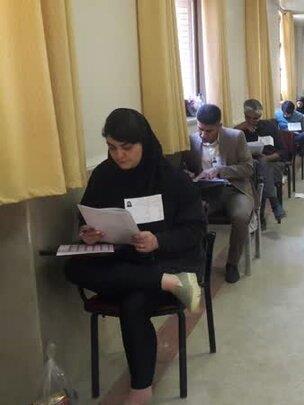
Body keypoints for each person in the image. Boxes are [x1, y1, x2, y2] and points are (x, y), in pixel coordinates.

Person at [65, 108, 206, 405]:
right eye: (112, 148)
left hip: (167, 258)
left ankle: (141, 388)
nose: (119, 155)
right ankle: (166, 282)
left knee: (134, 302)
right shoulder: (104, 175)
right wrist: (89, 232)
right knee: (72, 268)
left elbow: (195, 230)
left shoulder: (171, 177)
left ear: (144, 142)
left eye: (126, 148)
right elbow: (87, 215)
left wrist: (158, 241)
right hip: (123, 259)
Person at [182, 104, 254, 283]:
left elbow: (248, 168)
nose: (203, 135)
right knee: (193, 215)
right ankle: (197, 264)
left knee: (240, 216)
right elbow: (185, 168)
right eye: (200, 129)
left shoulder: (236, 137)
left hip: (234, 189)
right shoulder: (192, 140)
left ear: (219, 126)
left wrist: (221, 170)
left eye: (209, 131)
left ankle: (232, 263)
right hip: (207, 191)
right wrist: (189, 175)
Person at [235, 99, 286, 224]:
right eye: (248, 118)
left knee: (260, 169)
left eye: (256, 118)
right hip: (251, 163)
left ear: (261, 115)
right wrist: (237, 130)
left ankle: (259, 218)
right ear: (244, 115)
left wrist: (267, 158)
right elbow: (231, 151)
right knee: (257, 166)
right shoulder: (240, 130)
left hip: (272, 162)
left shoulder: (270, 126)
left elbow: (283, 152)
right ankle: (274, 203)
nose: (252, 121)